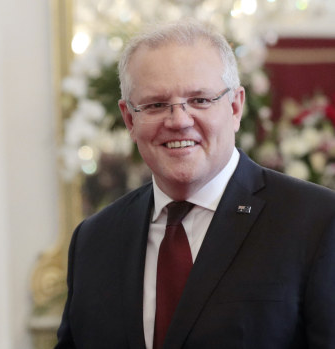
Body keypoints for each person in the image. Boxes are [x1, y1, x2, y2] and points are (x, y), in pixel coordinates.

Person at [56, 19, 335, 348]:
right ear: (130, 119)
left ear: (235, 107)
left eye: (200, 100)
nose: (179, 121)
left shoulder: (316, 222)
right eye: (156, 104)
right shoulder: (94, 239)